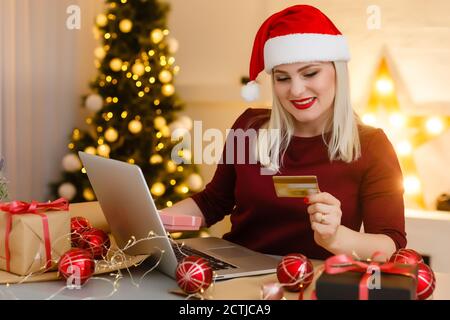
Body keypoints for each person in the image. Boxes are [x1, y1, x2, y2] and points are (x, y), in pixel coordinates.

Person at [161, 4, 406, 260]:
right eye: (283, 78)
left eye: (310, 73)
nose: (297, 90)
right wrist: (152, 222)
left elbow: (391, 245)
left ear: (337, 71)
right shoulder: (249, 127)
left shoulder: (371, 145)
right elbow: (212, 203)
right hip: (234, 276)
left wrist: (336, 238)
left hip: (312, 284)